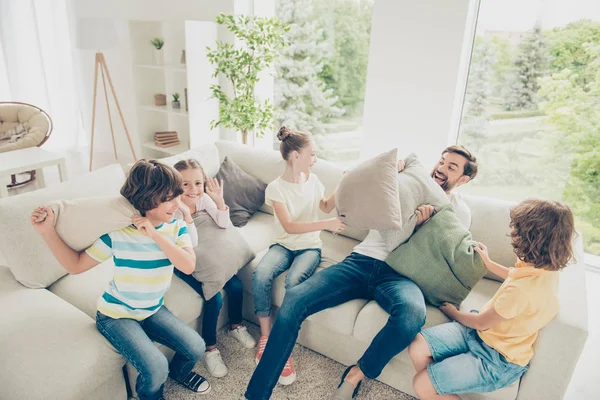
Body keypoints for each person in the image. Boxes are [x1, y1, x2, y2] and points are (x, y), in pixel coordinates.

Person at [244, 145, 478, 400]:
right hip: (361, 261)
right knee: (295, 298)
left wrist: (423, 225)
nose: (441, 169)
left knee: (412, 315)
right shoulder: (404, 180)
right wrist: (389, 173)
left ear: (464, 179)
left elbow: (439, 254)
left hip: (402, 276)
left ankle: (357, 374)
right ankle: (256, 394)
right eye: (442, 161)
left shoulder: (459, 212)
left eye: (451, 167)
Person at [31, 159, 211, 400]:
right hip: (115, 315)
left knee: (196, 347)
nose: (177, 204)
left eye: (177, 196)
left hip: (152, 309)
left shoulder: (177, 228)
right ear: (146, 200)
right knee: (156, 367)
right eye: (169, 198)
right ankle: (150, 396)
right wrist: (47, 232)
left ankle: (179, 373)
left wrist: (155, 235)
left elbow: (187, 266)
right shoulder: (118, 234)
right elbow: (75, 265)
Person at [407, 199, 575, 399]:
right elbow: (514, 275)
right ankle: (437, 385)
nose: (513, 235)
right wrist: (488, 263)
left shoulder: (521, 291)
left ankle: (431, 386)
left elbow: (481, 322)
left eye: (517, 231)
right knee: (417, 346)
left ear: (532, 239)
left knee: (421, 384)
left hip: (497, 359)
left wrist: (452, 312)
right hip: (479, 335)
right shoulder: (544, 270)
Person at [253, 126, 346, 385]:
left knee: (293, 285)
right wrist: (327, 223)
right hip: (283, 244)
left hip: (309, 247)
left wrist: (342, 185)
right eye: (312, 154)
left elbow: (325, 205)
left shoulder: (314, 181)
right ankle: (266, 337)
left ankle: (283, 343)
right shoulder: (275, 189)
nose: (315, 160)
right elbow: (290, 226)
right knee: (260, 274)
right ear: (295, 156)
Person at [173, 159, 256, 379]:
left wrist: (219, 202)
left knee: (236, 286)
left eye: (198, 183)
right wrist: (188, 216)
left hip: (208, 258)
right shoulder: (173, 211)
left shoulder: (204, 199)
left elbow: (222, 224)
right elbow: (189, 242)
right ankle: (210, 348)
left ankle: (235, 325)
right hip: (183, 261)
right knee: (215, 298)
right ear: (174, 185)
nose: (193, 190)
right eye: (186, 185)